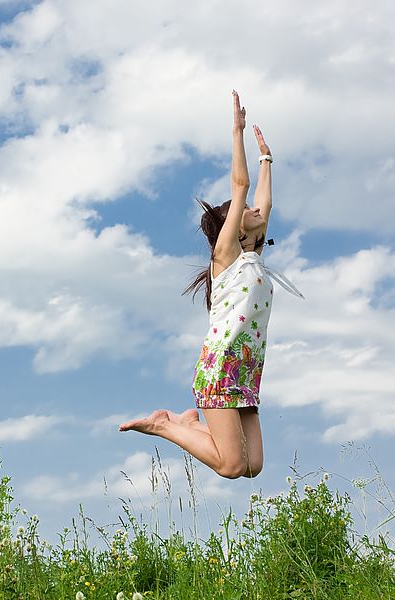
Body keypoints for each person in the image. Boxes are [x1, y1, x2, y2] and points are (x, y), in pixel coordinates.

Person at [119, 90, 303, 479]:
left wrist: (268, 157)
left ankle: (188, 423)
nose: (253, 208)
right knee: (231, 466)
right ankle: (167, 426)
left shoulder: (254, 259)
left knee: (252, 467)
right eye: (244, 210)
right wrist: (235, 133)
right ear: (233, 225)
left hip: (247, 368)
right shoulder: (226, 258)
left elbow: (264, 204)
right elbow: (241, 188)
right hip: (221, 364)